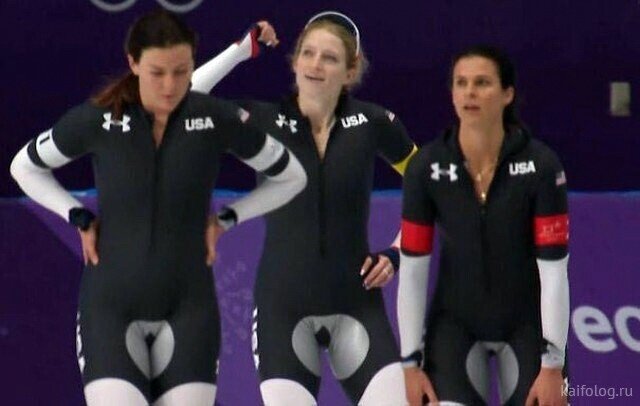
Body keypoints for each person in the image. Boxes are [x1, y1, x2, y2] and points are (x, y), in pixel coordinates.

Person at [9, 9, 306, 406]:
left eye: (182, 72)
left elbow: (292, 176)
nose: (169, 85)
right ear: (133, 63)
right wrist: (76, 214)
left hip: (190, 311)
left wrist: (228, 218)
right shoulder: (97, 120)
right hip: (110, 310)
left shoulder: (214, 118)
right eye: (157, 73)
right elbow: (24, 167)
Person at [191, 11, 417, 405]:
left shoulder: (374, 123)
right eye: (307, 53)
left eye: (329, 58)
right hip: (283, 312)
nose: (315, 65)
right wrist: (240, 52)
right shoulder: (261, 121)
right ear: (294, 62)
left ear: (350, 71)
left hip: (358, 307)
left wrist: (398, 252)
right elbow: (180, 100)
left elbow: (432, 189)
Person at [397, 45, 570, 405]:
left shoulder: (541, 166)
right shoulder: (425, 167)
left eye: (482, 83)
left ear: (507, 94)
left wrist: (553, 365)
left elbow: (554, 272)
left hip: (527, 325)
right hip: (454, 326)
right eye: (461, 83)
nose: (470, 92)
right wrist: (410, 364)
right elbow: (413, 270)